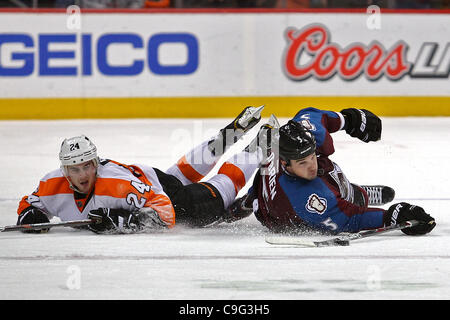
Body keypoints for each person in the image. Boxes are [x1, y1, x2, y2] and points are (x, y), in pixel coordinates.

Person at [16, 106, 268, 234]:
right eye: (75, 169)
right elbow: (30, 203)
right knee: (178, 175)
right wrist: (29, 215)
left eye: (87, 166)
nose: (83, 175)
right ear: (65, 170)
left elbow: (166, 213)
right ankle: (232, 132)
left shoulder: (115, 186)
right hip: (151, 177)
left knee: (213, 195)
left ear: (95, 163)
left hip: (166, 197)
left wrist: (126, 221)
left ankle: (259, 147)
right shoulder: (51, 185)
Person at [229, 107, 436, 236]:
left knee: (325, 168)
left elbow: (311, 115)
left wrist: (349, 119)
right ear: (285, 164)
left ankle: (245, 202)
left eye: (311, 155)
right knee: (332, 182)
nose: (312, 164)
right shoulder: (309, 198)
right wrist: (391, 216)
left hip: (265, 184)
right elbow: (351, 219)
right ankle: (357, 194)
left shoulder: (304, 137)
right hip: (279, 216)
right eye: (303, 162)